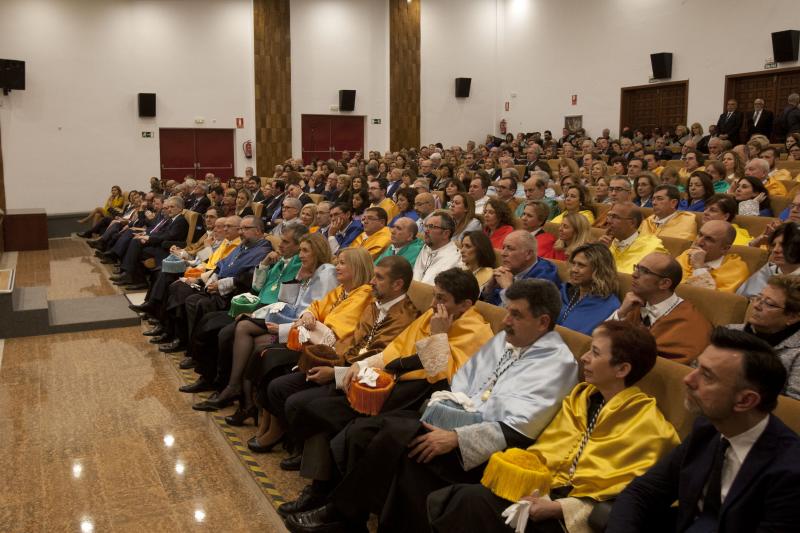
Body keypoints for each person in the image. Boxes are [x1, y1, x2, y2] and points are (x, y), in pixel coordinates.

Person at [285, 280, 579, 533]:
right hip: (450, 419)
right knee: (363, 432)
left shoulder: (557, 363)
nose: (505, 322)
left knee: (395, 440)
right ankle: (343, 512)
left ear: (543, 322)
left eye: (516, 315)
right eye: (507, 312)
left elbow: (519, 430)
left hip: (484, 447)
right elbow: (459, 385)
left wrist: (455, 438)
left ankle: (342, 514)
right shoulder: (508, 339)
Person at [281, 269, 496, 529]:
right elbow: (394, 352)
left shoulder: (477, 333)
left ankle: (337, 508)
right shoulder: (434, 315)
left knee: (352, 430)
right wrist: (359, 367)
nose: (433, 304)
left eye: (441, 299)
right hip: (391, 384)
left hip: (419, 400)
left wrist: (438, 335)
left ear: (465, 305)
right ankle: (320, 493)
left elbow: (442, 378)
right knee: (319, 410)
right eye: (434, 296)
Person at [428, 321, 680, 533]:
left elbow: (635, 502)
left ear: (622, 369)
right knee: (458, 496)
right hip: (538, 492)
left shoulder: (650, 428)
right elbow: (548, 452)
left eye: (595, 353)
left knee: (469, 502)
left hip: (572, 519)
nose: (584, 357)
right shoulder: (581, 398)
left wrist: (561, 508)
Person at [608, 327, 800, 533]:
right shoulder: (708, 429)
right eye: (697, 367)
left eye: (707, 376)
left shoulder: (790, 471)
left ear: (745, 400)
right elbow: (642, 493)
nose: (688, 379)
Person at [262, 255, 421, 472]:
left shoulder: (406, 317)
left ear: (397, 284)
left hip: (364, 384)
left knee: (300, 403)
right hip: (342, 366)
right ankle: (296, 444)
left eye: (379, 277)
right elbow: (352, 343)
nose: (372, 282)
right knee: (278, 387)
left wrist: (335, 373)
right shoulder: (375, 304)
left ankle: (309, 463)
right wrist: (331, 363)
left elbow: (380, 359)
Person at [244, 247, 376, 451]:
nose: (337, 267)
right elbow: (315, 307)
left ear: (357, 267)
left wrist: (309, 323)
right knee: (264, 355)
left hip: (327, 352)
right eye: (338, 262)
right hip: (310, 342)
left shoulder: (363, 294)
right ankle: (266, 422)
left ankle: (276, 429)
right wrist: (308, 315)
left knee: (272, 362)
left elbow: (334, 331)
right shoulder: (342, 290)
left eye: (342, 263)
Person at [192, 232, 337, 416]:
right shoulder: (302, 267)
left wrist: (279, 326)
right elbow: (265, 290)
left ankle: (237, 392)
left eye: (305, 251)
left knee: (244, 329)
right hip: (283, 316)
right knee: (240, 330)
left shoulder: (325, 272)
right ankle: (243, 398)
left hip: (300, 330)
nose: (300, 255)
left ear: (318, 251)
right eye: (300, 251)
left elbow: (311, 314)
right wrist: (268, 267)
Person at [177, 224, 305, 393]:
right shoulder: (279, 260)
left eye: (286, 242)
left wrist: (254, 312)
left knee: (223, 332)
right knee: (208, 319)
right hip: (257, 305)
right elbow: (257, 287)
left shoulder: (300, 267)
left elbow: (287, 303)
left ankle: (222, 384)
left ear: (299, 246)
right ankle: (207, 376)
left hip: (271, 313)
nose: (280, 245)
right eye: (281, 240)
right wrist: (264, 263)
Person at [730, 275, 800, 400]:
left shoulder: (796, 354)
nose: (756, 305)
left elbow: (792, 406)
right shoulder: (730, 331)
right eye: (758, 297)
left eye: (769, 304)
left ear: (792, 317)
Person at [482, 230, 559, 306]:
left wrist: (508, 289)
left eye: (510, 248)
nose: (503, 253)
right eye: (503, 248)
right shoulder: (510, 270)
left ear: (528, 254)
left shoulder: (545, 278)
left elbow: (529, 312)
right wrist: (488, 289)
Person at [557, 244, 621, 335]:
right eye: (574, 263)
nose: (574, 269)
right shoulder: (564, 291)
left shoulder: (610, 306)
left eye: (581, 265)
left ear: (598, 270)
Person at [675, 220, 750, 293]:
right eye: (700, 235)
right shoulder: (687, 254)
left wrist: (698, 267)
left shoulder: (735, 270)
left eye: (709, 239)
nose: (699, 242)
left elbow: (711, 299)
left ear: (725, 248)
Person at [600, 202, 667, 274]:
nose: (608, 221)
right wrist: (599, 252)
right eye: (609, 216)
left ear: (632, 223)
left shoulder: (653, 248)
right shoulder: (606, 244)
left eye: (615, 217)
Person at [737, 223, 800, 298]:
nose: (775, 250)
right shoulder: (768, 270)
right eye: (773, 245)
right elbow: (741, 300)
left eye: (784, 245)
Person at [413, 211, 462, 285]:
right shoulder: (425, 247)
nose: (426, 231)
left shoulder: (455, 258)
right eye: (426, 226)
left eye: (431, 226)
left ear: (446, 234)